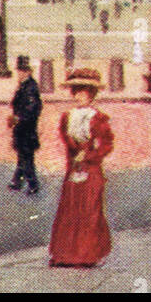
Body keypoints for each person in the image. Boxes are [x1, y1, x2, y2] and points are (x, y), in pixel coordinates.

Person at [49, 68, 114, 267]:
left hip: (91, 170)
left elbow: (107, 144)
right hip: (73, 169)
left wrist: (89, 155)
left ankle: (87, 255)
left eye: (84, 93)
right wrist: (74, 151)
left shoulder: (98, 118)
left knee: (90, 211)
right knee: (70, 210)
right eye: (76, 92)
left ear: (91, 95)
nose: (79, 97)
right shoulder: (68, 116)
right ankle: (65, 255)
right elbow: (65, 137)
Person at [7, 56, 42, 196]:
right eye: (19, 71)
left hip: (27, 129)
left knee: (26, 159)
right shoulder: (24, 85)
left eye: (22, 71)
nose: (19, 74)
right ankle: (17, 182)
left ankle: (33, 185)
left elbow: (33, 108)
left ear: (28, 72)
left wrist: (18, 118)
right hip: (22, 129)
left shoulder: (31, 87)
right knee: (22, 157)